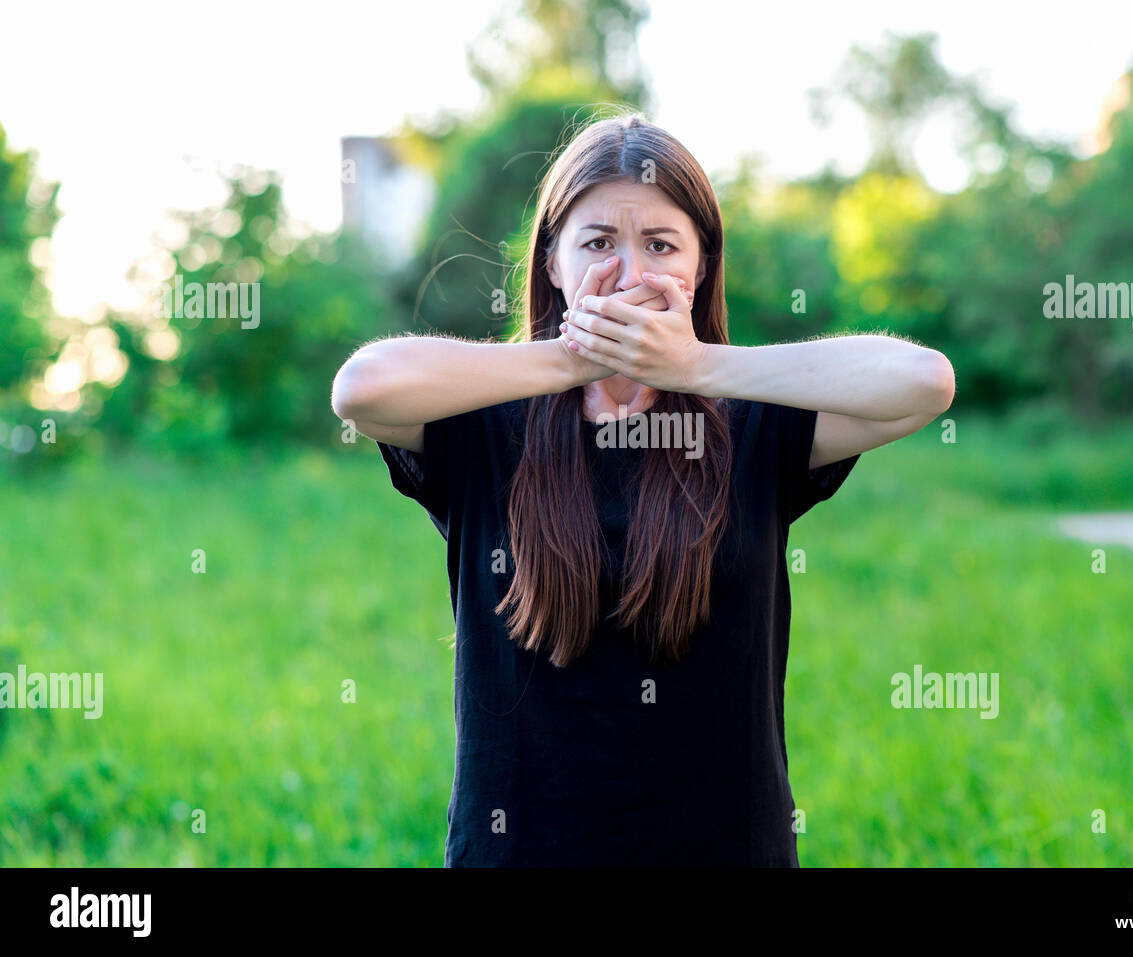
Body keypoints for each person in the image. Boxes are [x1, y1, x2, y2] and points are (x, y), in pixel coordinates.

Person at [330, 112, 955, 867]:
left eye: (660, 245)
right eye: (598, 243)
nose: (629, 273)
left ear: (699, 266)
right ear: (553, 262)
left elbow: (924, 383)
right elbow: (360, 388)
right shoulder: (486, 425)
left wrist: (698, 368)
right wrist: (569, 361)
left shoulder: (750, 423)